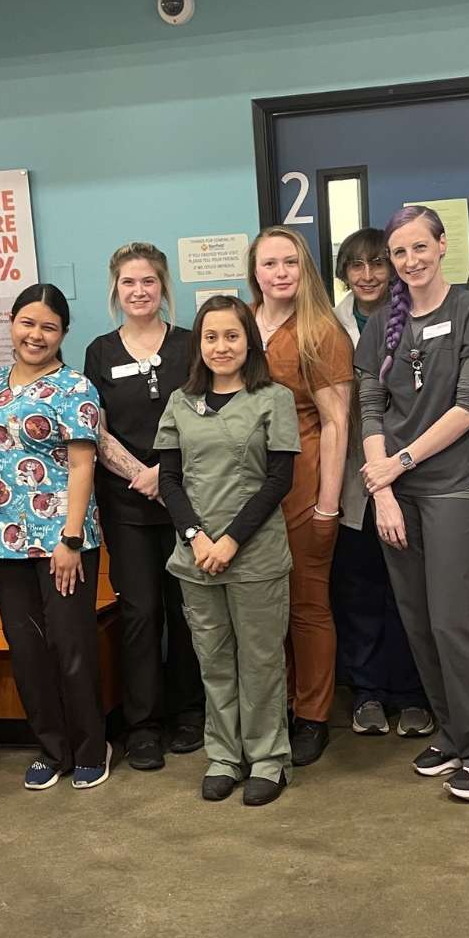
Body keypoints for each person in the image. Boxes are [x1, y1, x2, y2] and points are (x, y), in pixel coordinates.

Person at [356, 205, 469, 803]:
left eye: (418, 249)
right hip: (396, 496)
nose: (409, 262)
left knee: (456, 621)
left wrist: (399, 464)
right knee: (420, 620)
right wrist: (382, 491)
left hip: (452, 487)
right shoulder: (382, 323)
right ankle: (455, 733)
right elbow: (371, 408)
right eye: (398, 254)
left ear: (441, 246)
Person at [155, 295, 299, 806]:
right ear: (199, 343)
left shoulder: (271, 398)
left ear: (249, 341)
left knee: (260, 660)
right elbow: (169, 480)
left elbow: (279, 479)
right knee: (212, 660)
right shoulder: (179, 402)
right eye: (211, 337)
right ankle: (223, 755)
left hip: (254, 554)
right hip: (196, 557)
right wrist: (197, 537)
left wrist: (231, 539)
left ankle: (267, 758)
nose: (222, 346)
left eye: (232, 336)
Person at [0, 283, 111, 790]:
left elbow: (83, 466)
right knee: (26, 648)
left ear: (63, 334)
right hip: (3, 540)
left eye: (48, 327)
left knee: (70, 645)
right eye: (27, 323)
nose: (36, 335)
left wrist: (71, 539)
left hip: (62, 540)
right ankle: (51, 747)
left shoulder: (75, 388)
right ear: (12, 323)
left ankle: (90, 747)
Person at [84, 243, 204, 771]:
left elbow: (205, 414)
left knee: (187, 611)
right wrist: (142, 475)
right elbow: (97, 428)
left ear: (163, 288)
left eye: (149, 282)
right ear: (116, 289)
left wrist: (168, 475)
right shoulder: (100, 351)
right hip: (128, 504)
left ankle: (190, 713)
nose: (139, 291)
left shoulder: (190, 344)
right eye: (129, 283)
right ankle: (143, 725)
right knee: (140, 612)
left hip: (187, 498)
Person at [248, 225, 352, 766]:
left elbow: (336, 423)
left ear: (304, 268)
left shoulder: (321, 331)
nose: (280, 273)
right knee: (264, 608)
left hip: (305, 485)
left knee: (307, 605)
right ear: (255, 272)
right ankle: (280, 706)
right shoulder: (240, 327)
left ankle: (312, 715)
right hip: (247, 494)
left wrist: (328, 505)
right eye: (270, 264)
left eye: (290, 262)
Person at [330, 227, 433, 740]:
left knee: (409, 591)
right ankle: (368, 692)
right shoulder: (329, 323)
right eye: (356, 265)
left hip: (415, 470)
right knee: (359, 587)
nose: (368, 275)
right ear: (343, 272)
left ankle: (413, 695)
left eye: (377, 263)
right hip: (352, 476)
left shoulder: (422, 312)